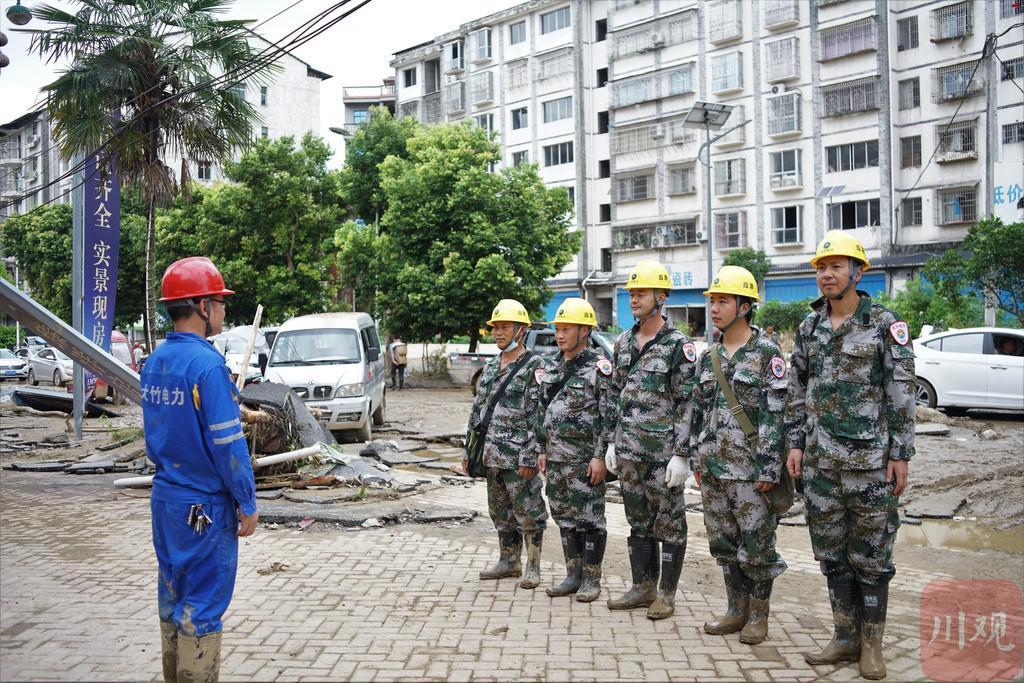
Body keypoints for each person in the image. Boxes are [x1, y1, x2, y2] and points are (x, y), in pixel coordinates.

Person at [785, 232, 915, 680]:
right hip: (821, 466)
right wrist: (795, 443)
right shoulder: (809, 327)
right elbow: (796, 391)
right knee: (832, 555)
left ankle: (872, 646)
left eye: (837, 266)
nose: (827, 274)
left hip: (870, 464)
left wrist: (900, 454)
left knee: (873, 556)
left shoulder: (884, 323)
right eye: (822, 267)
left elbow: (900, 393)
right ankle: (844, 637)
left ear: (858, 272)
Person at [142, 256, 258, 683]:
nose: (224, 312)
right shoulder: (207, 366)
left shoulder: (156, 361)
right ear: (201, 306)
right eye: (220, 303)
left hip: (166, 501)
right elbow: (227, 446)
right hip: (204, 507)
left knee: (172, 599)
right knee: (203, 606)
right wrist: (247, 501)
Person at [685, 266, 787, 645]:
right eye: (712, 300)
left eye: (723, 301)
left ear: (745, 306)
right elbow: (698, 410)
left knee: (758, 545)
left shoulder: (766, 354)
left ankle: (758, 617)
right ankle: (735, 609)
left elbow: (777, 415)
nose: (714, 307)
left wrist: (770, 468)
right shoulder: (708, 355)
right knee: (724, 544)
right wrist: (695, 457)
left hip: (750, 471)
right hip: (713, 468)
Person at [604, 260, 697, 620]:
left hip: (662, 455)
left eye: (640, 293)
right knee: (638, 521)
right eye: (631, 293)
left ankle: (666, 595)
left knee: (671, 523)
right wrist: (611, 443)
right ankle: (642, 586)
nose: (634, 299)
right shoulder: (624, 342)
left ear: (661, 297)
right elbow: (615, 395)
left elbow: (687, 402)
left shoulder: (678, 346)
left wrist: (682, 454)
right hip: (628, 451)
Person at [463, 299, 549, 588]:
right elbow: (478, 411)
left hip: (518, 456)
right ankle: (508, 560)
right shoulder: (489, 368)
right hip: (491, 455)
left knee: (529, 511)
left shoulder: (535, 368)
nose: (498, 332)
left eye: (504, 327)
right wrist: (469, 450)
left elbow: (538, 417)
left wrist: (530, 455)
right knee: (499, 511)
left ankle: (533, 566)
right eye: (495, 327)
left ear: (521, 330)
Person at [535, 298, 610, 602]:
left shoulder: (599, 368)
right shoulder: (551, 366)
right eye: (558, 329)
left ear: (585, 330)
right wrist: (541, 449)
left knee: (590, 519)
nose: (560, 335)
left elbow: (609, 415)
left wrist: (600, 455)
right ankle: (572, 574)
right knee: (564, 517)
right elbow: (543, 411)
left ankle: (592, 579)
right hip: (556, 460)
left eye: (567, 329)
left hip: (584, 461)